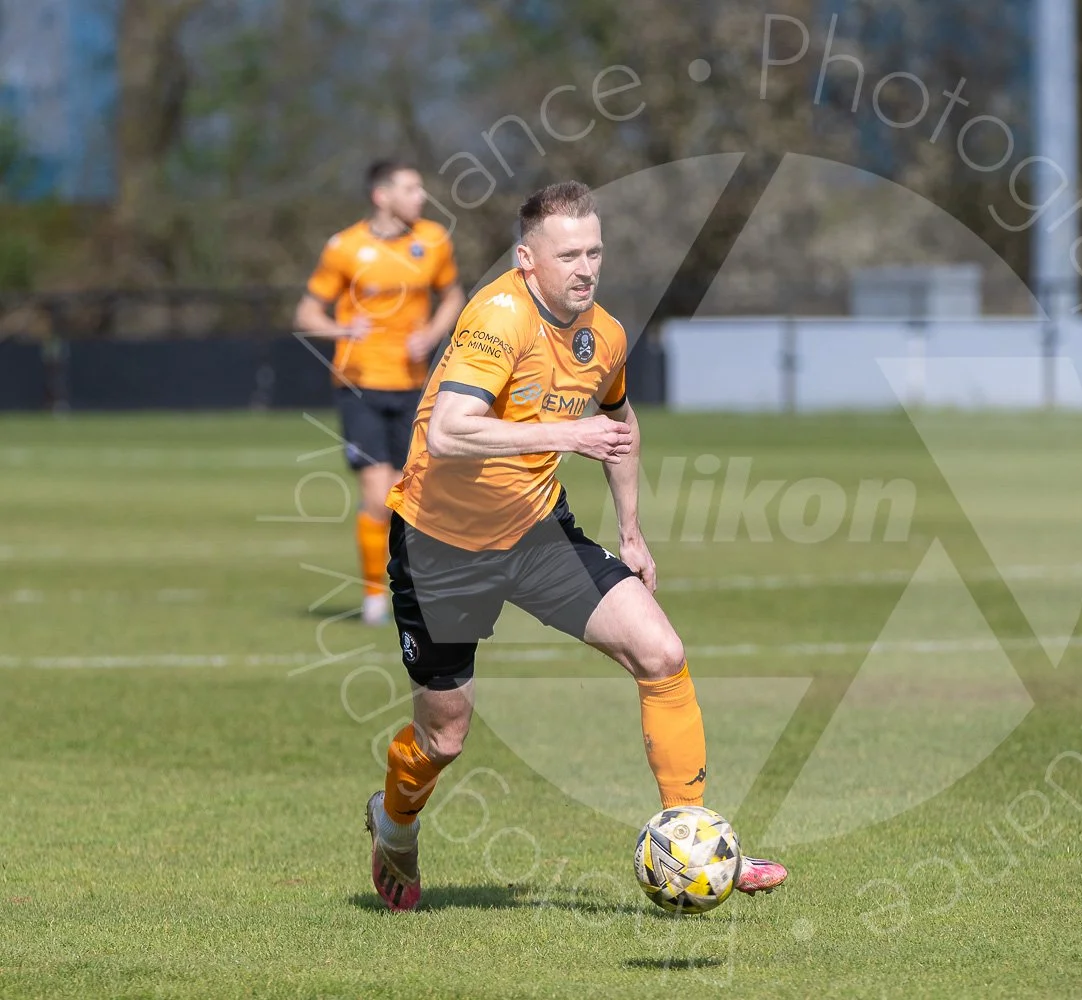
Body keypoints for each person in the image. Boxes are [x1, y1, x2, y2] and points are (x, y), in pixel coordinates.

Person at [362, 180, 787, 912]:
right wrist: (568, 434)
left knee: (661, 654)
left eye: (594, 250)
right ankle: (394, 823)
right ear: (528, 260)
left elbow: (619, 428)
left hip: (535, 533)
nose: (585, 267)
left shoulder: (606, 333)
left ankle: (700, 839)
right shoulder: (497, 318)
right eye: (568, 254)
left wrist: (631, 532)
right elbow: (448, 431)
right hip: (441, 549)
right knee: (446, 736)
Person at [295, 160, 465, 626]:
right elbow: (306, 314)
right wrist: (343, 326)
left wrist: (431, 333)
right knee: (380, 494)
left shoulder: (433, 240)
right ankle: (375, 597)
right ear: (381, 196)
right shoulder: (346, 247)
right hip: (361, 384)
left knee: (418, 495)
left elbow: (453, 295)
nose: (421, 197)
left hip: (415, 386)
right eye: (412, 188)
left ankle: (417, 588)